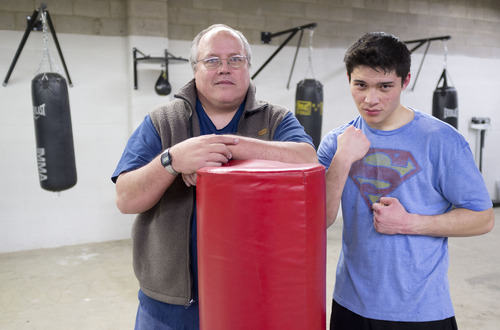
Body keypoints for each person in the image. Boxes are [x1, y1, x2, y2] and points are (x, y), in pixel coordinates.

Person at [111, 24, 317, 329]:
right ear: (195, 69)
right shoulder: (162, 122)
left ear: (248, 67)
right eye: (212, 60)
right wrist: (173, 160)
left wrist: (228, 150)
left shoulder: (276, 120)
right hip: (171, 306)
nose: (225, 69)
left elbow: (307, 159)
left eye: (235, 60)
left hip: (252, 295)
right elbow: (126, 199)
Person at [317, 32, 495, 330]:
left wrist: (408, 223)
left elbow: (483, 218)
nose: (370, 99)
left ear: (405, 80)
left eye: (384, 86)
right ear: (348, 78)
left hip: (421, 311)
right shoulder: (337, 141)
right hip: (350, 304)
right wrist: (342, 160)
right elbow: (319, 219)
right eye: (360, 85)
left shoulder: (440, 141)